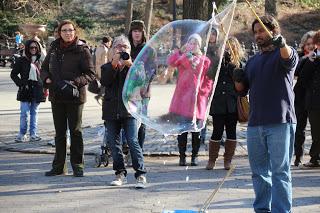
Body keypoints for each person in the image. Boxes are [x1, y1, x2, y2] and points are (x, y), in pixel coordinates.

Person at [233, 15, 298, 212]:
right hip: (255, 124)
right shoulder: (252, 61)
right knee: (259, 173)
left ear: (274, 30)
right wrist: (238, 79)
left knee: (280, 172)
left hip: (280, 121)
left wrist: (283, 44)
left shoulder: (284, 53)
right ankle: (262, 209)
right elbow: (242, 90)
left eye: (262, 30)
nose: (258, 35)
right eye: (255, 32)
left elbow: (290, 59)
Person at [41, 20, 95, 177]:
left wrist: (74, 83)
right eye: (64, 30)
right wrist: (47, 80)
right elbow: (43, 69)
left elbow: (90, 74)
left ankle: (78, 165)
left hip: (75, 97)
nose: (67, 33)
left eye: (70, 30)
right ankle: (59, 167)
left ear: (75, 31)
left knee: (76, 131)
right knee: (59, 133)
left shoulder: (82, 49)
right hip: (57, 96)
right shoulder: (53, 48)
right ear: (59, 32)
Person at [101, 35, 147, 188]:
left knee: (133, 141)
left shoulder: (136, 66)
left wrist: (130, 65)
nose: (121, 49)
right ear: (113, 49)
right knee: (113, 144)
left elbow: (141, 82)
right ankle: (120, 173)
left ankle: (140, 174)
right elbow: (106, 81)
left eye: (125, 47)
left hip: (130, 110)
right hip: (111, 110)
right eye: (118, 46)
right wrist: (115, 63)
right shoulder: (107, 66)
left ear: (130, 50)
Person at [167, 33, 212, 166]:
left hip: (197, 99)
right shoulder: (183, 58)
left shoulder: (205, 60)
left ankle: (195, 156)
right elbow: (171, 62)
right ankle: (182, 156)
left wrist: (204, 91)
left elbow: (208, 79)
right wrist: (180, 51)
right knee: (182, 129)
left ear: (199, 45)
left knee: (195, 130)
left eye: (195, 43)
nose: (192, 45)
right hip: (182, 98)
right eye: (190, 42)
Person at [206, 37, 245, 170]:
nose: (228, 50)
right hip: (218, 102)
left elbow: (242, 82)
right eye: (226, 47)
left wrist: (233, 65)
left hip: (232, 103)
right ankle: (212, 159)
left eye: (231, 47)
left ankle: (228, 159)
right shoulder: (217, 62)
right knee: (216, 130)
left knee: (231, 131)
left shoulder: (239, 63)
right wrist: (218, 60)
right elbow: (210, 75)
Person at [11, 39, 47, 142]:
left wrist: (45, 86)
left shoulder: (41, 60)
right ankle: (22, 134)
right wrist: (21, 83)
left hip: (37, 89)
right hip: (25, 89)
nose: (34, 49)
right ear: (27, 48)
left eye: (35, 47)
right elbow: (13, 74)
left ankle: (33, 134)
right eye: (31, 47)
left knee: (34, 113)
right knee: (24, 113)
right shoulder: (22, 60)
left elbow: (45, 73)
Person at [293, 31, 316, 166]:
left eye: (312, 44)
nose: (310, 47)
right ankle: (298, 156)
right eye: (307, 44)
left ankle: (314, 156)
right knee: (300, 128)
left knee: (315, 129)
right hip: (300, 96)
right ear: (303, 46)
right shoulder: (299, 58)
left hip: (314, 98)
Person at [299, 30, 320, 168]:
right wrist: (310, 61)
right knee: (316, 131)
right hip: (314, 101)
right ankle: (314, 158)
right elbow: (302, 79)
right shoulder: (312, 58)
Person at [94, 36, 112, 104]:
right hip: (102, 69)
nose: (110, 44)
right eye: (110, 42)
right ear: (107, 42)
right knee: (105, 83)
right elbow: (103, 61)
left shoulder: (99, 47)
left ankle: (101, 96)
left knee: (103, 84)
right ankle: (101, 96)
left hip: (98, 68)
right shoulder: (104, 49)